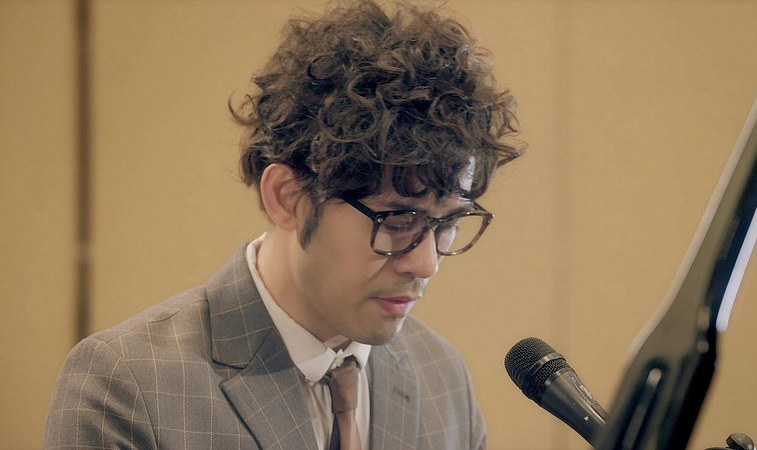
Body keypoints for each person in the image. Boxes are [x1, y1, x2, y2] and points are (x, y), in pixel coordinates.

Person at [44, 0, 523, 448]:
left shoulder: (442, 376)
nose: (426, 264)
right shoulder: (128, 384)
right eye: (398, 220)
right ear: (286, 196)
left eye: (448, 222)